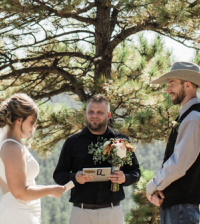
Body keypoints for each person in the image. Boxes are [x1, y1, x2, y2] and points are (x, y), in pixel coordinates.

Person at [146, 61, 200, 224]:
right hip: (179, 209)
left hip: (181, 210)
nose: (168, 89)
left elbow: (178, 164)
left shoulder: (193, 118)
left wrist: (152, 186)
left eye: (172, 84)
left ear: (188, 85)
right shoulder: (190, 116)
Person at [53, 95, 141, 224]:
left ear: (108, 115)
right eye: (91, 112)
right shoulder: (72, 142)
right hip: (81, 213)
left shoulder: (121, 141)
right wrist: (75, 178)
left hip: (113, 212)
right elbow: (59, 175)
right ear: (85, 114)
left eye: (100, 112)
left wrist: (124, 178)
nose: (94, 115)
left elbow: (135, 172)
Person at [0, 94, 66, 224]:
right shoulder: (12, 148)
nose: (35, 127)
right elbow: (19, 192)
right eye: (32, 122)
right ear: (19, 120)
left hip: (20, 212)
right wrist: (49, 190)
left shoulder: (11, 145)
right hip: (18, 215)